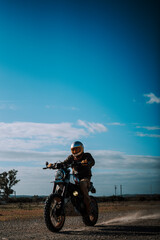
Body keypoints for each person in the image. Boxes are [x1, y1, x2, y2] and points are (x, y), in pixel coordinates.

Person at [49, 141, 95, 215]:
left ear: (81, 149)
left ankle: (88, 208)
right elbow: (64, 163)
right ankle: (57, 205)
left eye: (77, 149)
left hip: (85, 177)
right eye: (73, 150)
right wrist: (54, 165)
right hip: (74, 177)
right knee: (62, 183)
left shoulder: (87, 155)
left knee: (82, 184)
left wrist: (87, 162)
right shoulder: (71, 157)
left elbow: (92, 161)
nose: (75, 151)